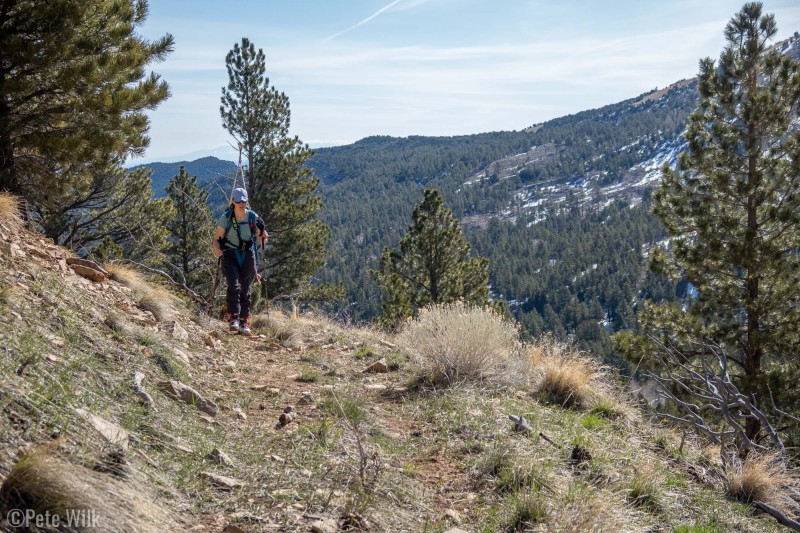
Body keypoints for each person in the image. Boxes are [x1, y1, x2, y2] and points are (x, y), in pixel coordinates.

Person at [212, 187, 268, 335]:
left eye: (243, 200)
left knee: (245, 288)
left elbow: (262, 238)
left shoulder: (252, 217)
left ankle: (244, 321)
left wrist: (262, 233)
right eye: (238, 200)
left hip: (247, 254)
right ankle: (233, 319)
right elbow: (217, 239)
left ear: (247, 200)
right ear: (233, 202)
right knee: (234, 286)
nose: (241, 203)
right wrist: (218, 249)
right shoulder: (226, 218)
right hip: (230, 254)